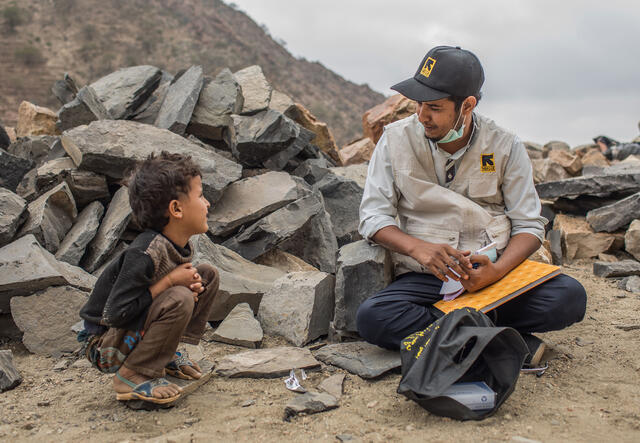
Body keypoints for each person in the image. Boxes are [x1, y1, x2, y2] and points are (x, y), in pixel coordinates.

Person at [356, 46, 586, 365]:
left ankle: (459, 339)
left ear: (467, 105)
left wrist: (497, 271)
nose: (422, 115)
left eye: (434, 107)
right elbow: (372, 217)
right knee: (373, 318)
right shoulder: (395, 140)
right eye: (419, 103)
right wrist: (418, 249)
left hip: (494, 277)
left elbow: (529, 225)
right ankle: (502, 344)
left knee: (568, 298)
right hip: (427, 278)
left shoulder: (503, 146)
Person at [79, 151, 219, 404]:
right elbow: (116, 314)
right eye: (200, 196)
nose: (207, 203)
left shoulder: (175, 243)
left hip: (130, 333)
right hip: (105, 345)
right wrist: (170, 283)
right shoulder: (143, 254)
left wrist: (187, 283)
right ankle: (131, 375)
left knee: (207, 275)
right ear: (176, 209)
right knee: (180, 296)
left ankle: (166, 354)